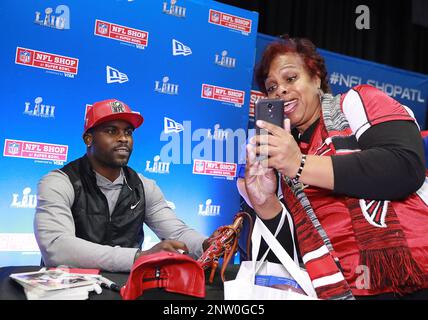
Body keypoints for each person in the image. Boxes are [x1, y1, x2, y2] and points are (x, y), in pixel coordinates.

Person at [238, 36, 428, 300]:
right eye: (271, 87)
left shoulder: (357, 103)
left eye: (290, 78)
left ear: (316, 78)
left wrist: (300, 164)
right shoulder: (276, 157)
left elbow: (405, 166)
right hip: (334, 290)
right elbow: (287, 261)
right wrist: (264, 204)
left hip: (409, 277)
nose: (279, 91)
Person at [34, 99, 208, 272]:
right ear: (88, 139)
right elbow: (57, 249)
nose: (123, 138)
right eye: (111, 131)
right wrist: (138, 257)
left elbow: (177, 233)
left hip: (126, 288)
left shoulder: (144, 186)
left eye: (128, 132)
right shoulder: (59, 182)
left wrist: (206, 244)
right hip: (70, 290)